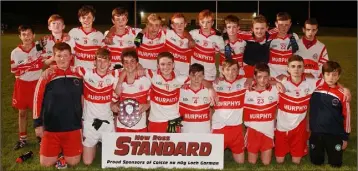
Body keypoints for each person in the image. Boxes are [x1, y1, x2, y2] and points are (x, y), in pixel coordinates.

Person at [33, 42, 83, 167]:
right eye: (59, 56)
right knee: (46, 164)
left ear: (71, 56)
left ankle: (62, 153)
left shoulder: (78, 74)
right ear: (54, 57)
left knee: (74, 162)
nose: (62, 59)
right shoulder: (47, 75)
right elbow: (36, 99)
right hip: (51, 126)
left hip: (73, 126)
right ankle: (55, 150)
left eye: (66, 55)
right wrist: (38, 124)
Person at [74, 47, 119, 165]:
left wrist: (139, 68)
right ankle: (95, 143)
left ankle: (102, 142)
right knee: (87, 162)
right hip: (90, 122)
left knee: (113, 160)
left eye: (105, 60)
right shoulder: (86, 73)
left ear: (110, 63)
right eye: (99, 60)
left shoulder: (114, 75)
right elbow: (68, 68)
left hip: (107, 122)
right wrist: (52, 67)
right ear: (94, 62)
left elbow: (130, 69)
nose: (102, 63)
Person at [308, 61, 351, 168]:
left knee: (336, 164)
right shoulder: (314, 88)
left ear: (339, 76)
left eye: (334, 75)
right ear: (323, 75)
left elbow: (347, 117)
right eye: (328, 74)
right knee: (316, 162)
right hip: (316, 132)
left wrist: (345, 137)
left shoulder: (342, 94)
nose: (331, 77)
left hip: (334, 134)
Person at [11, 25, 43, 150]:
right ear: (20, 36)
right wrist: (27, 66)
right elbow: (15, 71)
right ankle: (22, 139)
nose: (27, 37)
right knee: (22, 112)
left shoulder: (39, 47)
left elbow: (47, 58)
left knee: (39, 112)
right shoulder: (15, 52)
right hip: (22, 85)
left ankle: (41, 137)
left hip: (37, 84)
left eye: (29, 34)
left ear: (33, 35)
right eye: (24, 34)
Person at [211, 59, 247, 164]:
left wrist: (277, 82)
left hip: (236, 129)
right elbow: (199, 81)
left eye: (234, 69)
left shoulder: (244, 82)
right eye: (228, 69)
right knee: (212, 163)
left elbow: (263, 81)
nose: (231, 72)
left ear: (238, 71)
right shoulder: (215, 84)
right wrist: (209, 88)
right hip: (219, 128)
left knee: (241, 163)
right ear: (222, 71)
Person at [243, 62, 279, 165]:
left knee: (266, 163)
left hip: (268, 132)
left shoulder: (275, 90)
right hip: (252, 131)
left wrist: (277, 82)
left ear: (269, 77)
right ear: (254, 77)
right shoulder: (246, 91)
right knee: (252, 163)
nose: (262, 80)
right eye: (259, 77)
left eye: (265, 77)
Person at [114, 49, 151, 132]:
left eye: (132, 61)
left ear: (137, 63)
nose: (129, 64)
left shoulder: (145, 80)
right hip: (122, 126)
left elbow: (151, 100)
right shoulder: (117, 79)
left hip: (140, 127)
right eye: (126, 62)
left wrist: (147, 105)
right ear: (122, 64)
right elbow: (113, 100)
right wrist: (113, 106)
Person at [189, 9, 225, 82]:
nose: (205, 25)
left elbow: (223, 57)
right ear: (199, 22)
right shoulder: (193, 34)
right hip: (194, 73)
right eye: (203, 22)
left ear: (212, 23)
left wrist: (221, 73)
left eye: (208, 22)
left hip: (210, 75)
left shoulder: (218, 39)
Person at [68, 5, 104, 69]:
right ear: (79, 19)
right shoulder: (73, 32)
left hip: (93, 73)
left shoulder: (99, 35)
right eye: (83, 17)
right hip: (77, 72)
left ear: (93, 18)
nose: (86, 20)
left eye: (89, 17)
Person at [179, 63, 212, 133]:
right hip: (185, 132)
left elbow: (211, 111)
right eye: (193, 75)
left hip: (205, 132)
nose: (196, 79)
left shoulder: (209, 91)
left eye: (199, 76)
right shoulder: (181, 91)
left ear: (203, 76)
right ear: (189, 76)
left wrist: (211, 127)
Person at [268, 12, 299, 79]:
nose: (284, 28)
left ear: (290, 24)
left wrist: (289, 74)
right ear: (276, 24)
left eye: (286, 25)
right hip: (272, 76)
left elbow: (296, 58)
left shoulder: (294, 37)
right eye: (281, 25)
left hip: (288, 77)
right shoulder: (269, 36)